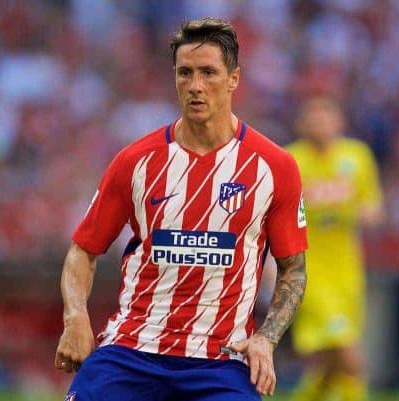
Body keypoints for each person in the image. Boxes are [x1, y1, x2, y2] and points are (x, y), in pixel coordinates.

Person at [55, 17, 308, 401]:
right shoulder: (135, 162)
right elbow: (83, 251)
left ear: (234, 79)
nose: (195, 86)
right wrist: (75, 317)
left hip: (222, 361)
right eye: (185, 73)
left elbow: (294, 269)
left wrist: (266, 339)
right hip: (132, 352)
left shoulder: (274, 167)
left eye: (208, 73)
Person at [287, 96, 384, 401]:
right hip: (308, 270)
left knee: (331, 365)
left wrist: (361, 212)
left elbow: (373, 208)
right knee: (348, 357)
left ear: (339, 121)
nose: (320, 124)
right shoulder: (290, 161)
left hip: (347, 270)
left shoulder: (356, 157)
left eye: (326, 117)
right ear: (302, 124)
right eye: (313, 118)